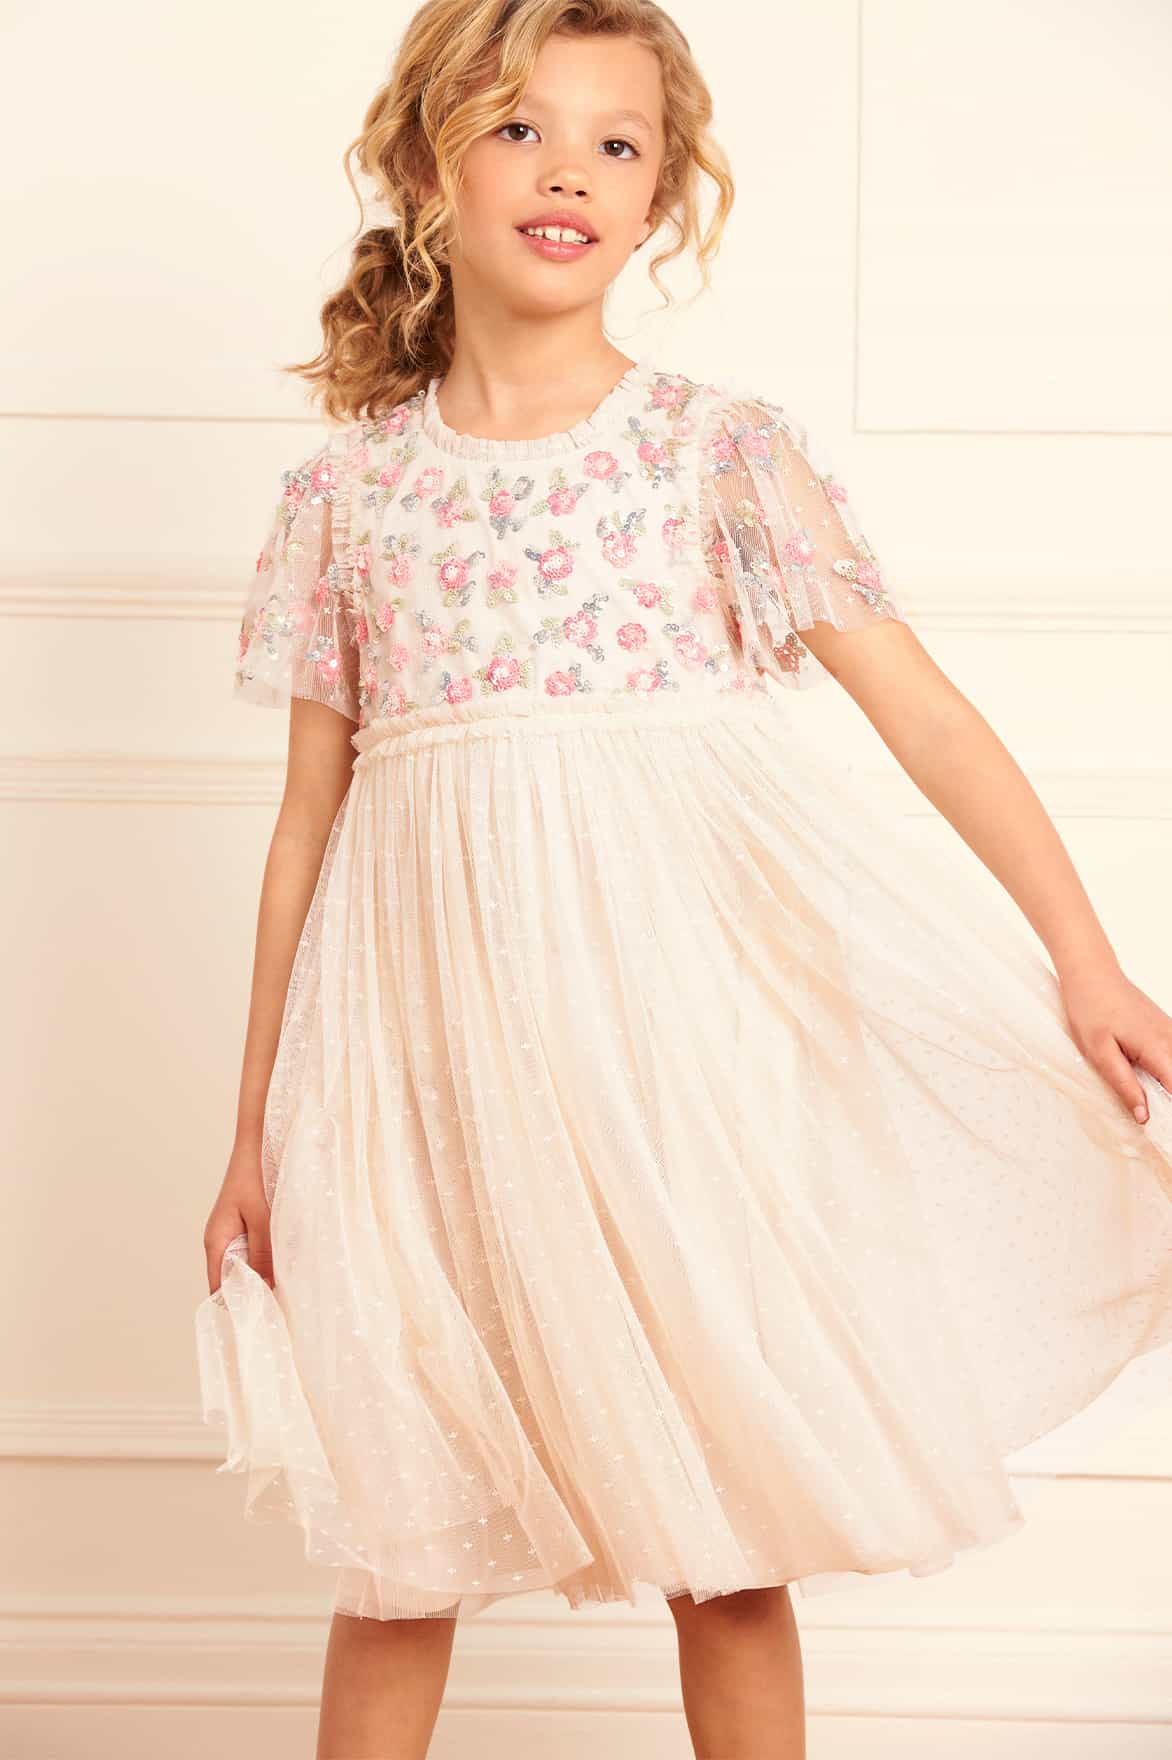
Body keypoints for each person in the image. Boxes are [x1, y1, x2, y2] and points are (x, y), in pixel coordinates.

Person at [195, 3, 1172, 1756]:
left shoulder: (712, 454)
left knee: (724, 1545)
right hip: (418, 1087)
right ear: (427, 163)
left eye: (617, 142)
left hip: (671, 1083)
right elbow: (301, 834)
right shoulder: (350, 496)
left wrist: (1084, 958)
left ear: (659, 199)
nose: (567, 171)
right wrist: (255, 1130)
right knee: (399, 1552)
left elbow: (925, 717)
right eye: (519, 129)